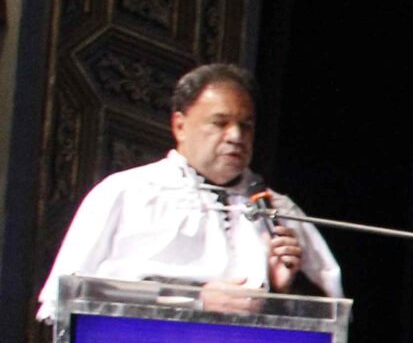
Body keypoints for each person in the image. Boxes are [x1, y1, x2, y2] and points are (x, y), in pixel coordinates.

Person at [38, 63, 341, 320]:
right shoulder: (127, 193)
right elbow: (69, 297)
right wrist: (195, 299)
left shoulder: (279, 210)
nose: (236, 136)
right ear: (180, 126)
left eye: (246, 126)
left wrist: (280, 290)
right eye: (220, 123)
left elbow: (330, 319)